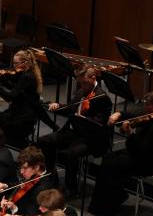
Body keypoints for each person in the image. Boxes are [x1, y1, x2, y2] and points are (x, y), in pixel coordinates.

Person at [38, 65, 112, 195]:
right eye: (80, 82)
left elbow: (99, 123)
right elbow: (71, 108)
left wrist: (82, 118)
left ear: (93, 78)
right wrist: (58, 105)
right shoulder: (81, 91)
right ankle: (51, 175)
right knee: (44, 141)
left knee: (70, 154)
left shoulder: (102, 97)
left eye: (84, 82)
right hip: (73, 132)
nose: (82, 86)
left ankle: (70, 187)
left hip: (89, 138)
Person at [89, 91, 153, 216]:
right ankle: (113, 196)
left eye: (148, 105)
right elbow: (132, 115)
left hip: (147, 162)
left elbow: (143, 150)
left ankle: (107, 205)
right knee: (108, 157)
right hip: (136, 154)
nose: (145, 108)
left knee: (111, 165)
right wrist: (118, 114)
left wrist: (131, 134)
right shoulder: (149, 116)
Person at [0, 49, 42, 147]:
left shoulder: (27, 77)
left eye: (16, 63)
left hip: (21, 118)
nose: (14, 66)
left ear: (25, 62)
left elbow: (10, 97)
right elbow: (15, 90)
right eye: (13, 63)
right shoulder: (26, 74)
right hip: (17, 112)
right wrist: (3, 79)